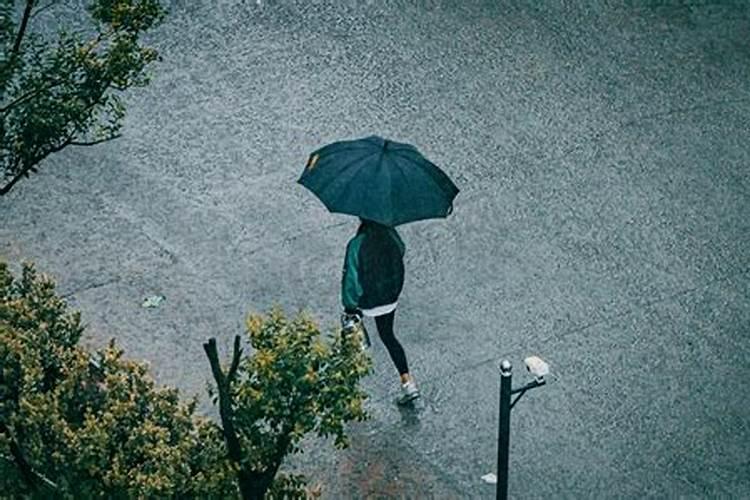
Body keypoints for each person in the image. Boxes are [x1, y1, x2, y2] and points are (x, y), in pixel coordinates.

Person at [341, 217, 420, 405]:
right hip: (389, 296)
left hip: (367, 300)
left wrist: (350, 307)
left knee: (349, 339)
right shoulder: (390, 235)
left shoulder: (356, 245)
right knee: (388, 336)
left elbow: (351, 279)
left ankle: (345, 387)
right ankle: (408, 383)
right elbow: (401, 249)